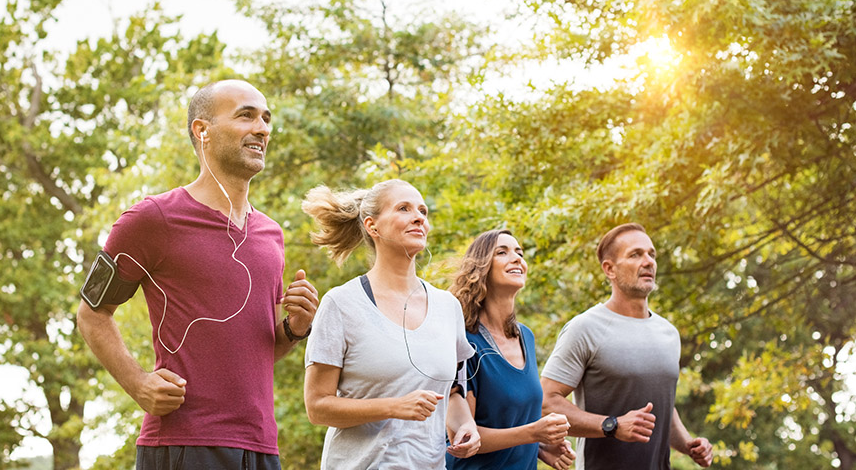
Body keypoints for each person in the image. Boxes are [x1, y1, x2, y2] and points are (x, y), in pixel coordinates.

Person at [76, 79, 319, 470]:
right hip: (183, 444)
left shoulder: (270, 234)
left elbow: (258, 350)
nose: (262, 128)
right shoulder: (152, 219)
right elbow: (91, 312)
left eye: (266, 119)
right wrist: (138, 384)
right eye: (246, 116)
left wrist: (295, 327)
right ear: (202, 130)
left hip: (261, 448)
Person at [300, 179, 481, 469]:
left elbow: (453, 393)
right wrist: (393, 406)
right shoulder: (341, 304)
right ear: (373, 226)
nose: (419, 217)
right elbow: (317, 407)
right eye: (404, 209)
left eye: (423, 211)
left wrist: (464, 426)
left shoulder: (449, 308)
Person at [540, 223, 714, 469]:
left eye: (651, 254)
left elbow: (664, 404)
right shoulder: (585, 328)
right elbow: (546, 401)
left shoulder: (669, 333)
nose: (648, 262)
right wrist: (612, 425)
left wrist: (688, 444)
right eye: (635, 254)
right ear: (609, 269)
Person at [445, 229, 575, 470]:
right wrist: (534, 433)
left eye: (519, 253)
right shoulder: (465, 340)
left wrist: (540, 448)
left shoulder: (526, 336)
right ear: (481, 268)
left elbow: (513, 420)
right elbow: (462, 437)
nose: (517, 258)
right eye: (502, 252)